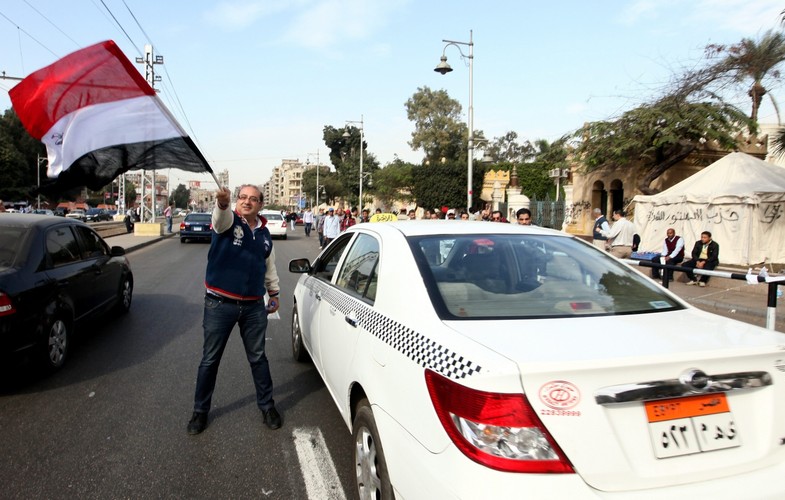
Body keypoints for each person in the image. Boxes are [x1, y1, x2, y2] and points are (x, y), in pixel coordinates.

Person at [187, 184, 282, 435]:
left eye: (253, 199)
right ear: (237, 201)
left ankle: (267, 406)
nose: (247, 202)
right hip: (219, 304)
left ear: (261, 204)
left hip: (254, 307)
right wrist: (222, 203)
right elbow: (220, 218)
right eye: (242, 197)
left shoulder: (264, 233)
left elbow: (268, 266)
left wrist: (273, 293)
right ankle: (200, 411)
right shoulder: (229, 222)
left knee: (258, 358)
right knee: (210, 360)